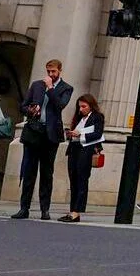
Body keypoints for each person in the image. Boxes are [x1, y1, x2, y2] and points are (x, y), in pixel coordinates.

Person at [10, 57, 72, 220]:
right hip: (33, 131)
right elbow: (23, 106)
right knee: (29, 171)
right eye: (48, 72)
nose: (50, 74)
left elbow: (60, 106)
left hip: (50, 135)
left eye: (53, 72)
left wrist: (51, 88)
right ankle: (24, 208)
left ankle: (45, 209)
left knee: (46, 172)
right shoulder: (37, 85)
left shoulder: (66, 88)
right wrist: (31, 111)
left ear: (60, 71)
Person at [59, 94, 104, 222]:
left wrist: (81, 134)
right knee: (73, 179)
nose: (81, 109)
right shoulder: (79, 117)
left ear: (91, 106)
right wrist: (70, 133)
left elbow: (97, 133)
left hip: (86, 150)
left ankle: (76, 211)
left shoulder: (97, 117)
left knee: (82, 180)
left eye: (84, 106)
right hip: (74, 149)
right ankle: (72, 210)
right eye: (79, 106)